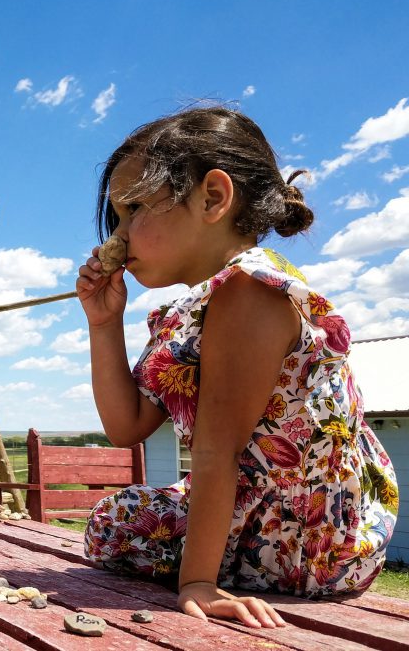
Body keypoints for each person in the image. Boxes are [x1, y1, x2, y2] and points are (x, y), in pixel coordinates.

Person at [75, 107, 398, 630]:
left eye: (134, 209)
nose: (120, 233)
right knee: (117, 517)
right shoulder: (188, 315)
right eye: (117, 217)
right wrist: (103, 324)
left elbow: (215, 449)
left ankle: (209, 566)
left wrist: (197, 583)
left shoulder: (250, 290)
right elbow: (125, 426)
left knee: (119, 522)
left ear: (213, 198)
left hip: (303, 537)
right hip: (258, 516)